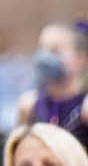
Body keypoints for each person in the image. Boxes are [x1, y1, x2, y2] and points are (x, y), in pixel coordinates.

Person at [18, 21, 88, 154]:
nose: (45, 56)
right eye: (41, 48)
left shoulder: (85, 108)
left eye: (55, 51)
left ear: (80, 60)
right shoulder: (28, 105)